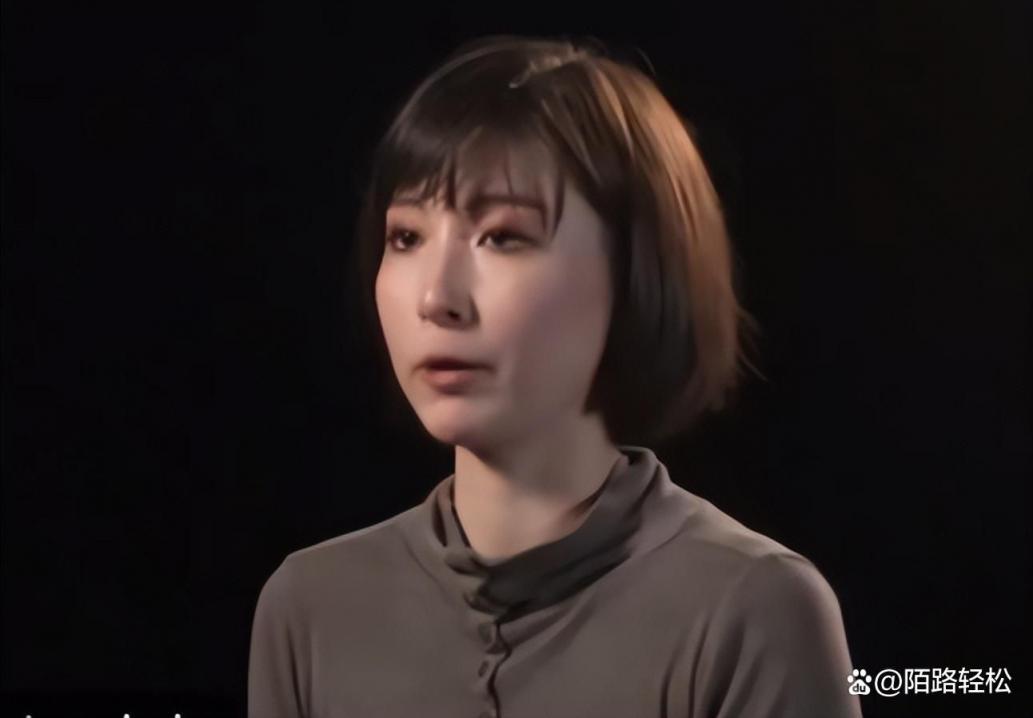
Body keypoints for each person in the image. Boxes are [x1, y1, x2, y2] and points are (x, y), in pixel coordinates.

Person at [248, 34, 863, 718]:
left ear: (636, 272)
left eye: (502, 236)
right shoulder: (310, 608)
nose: (436, 297)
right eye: (406, 238)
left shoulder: (751, 611)